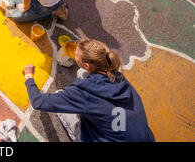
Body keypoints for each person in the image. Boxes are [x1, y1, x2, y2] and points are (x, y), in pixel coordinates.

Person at [23, 39, 156, 142]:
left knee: (59, 96)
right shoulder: (117, 76)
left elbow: (38, 102)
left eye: (76, 55)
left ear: (87, 64)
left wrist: (29, 76)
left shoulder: (83, 93)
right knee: (82, 74)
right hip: (144, 137)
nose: (74, 55)